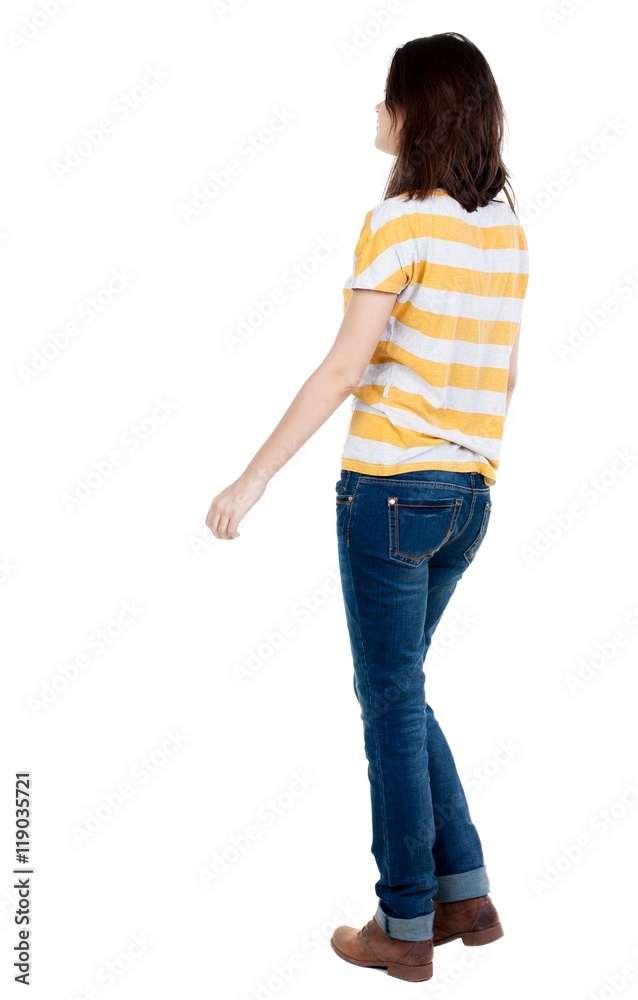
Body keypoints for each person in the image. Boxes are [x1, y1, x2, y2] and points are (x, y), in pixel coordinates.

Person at [205, 31, 529, 984]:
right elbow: (503, 377)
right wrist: (470, 470)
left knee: (388, 704)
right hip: (470, 499)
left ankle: (405, 923)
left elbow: (347, 367)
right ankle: (464, 887)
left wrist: (252, 476)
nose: (377, 114)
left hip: (389, 493)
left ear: (417, 112)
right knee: (401, 691)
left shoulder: (400, 222)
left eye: (388, 98)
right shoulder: (506, 230)